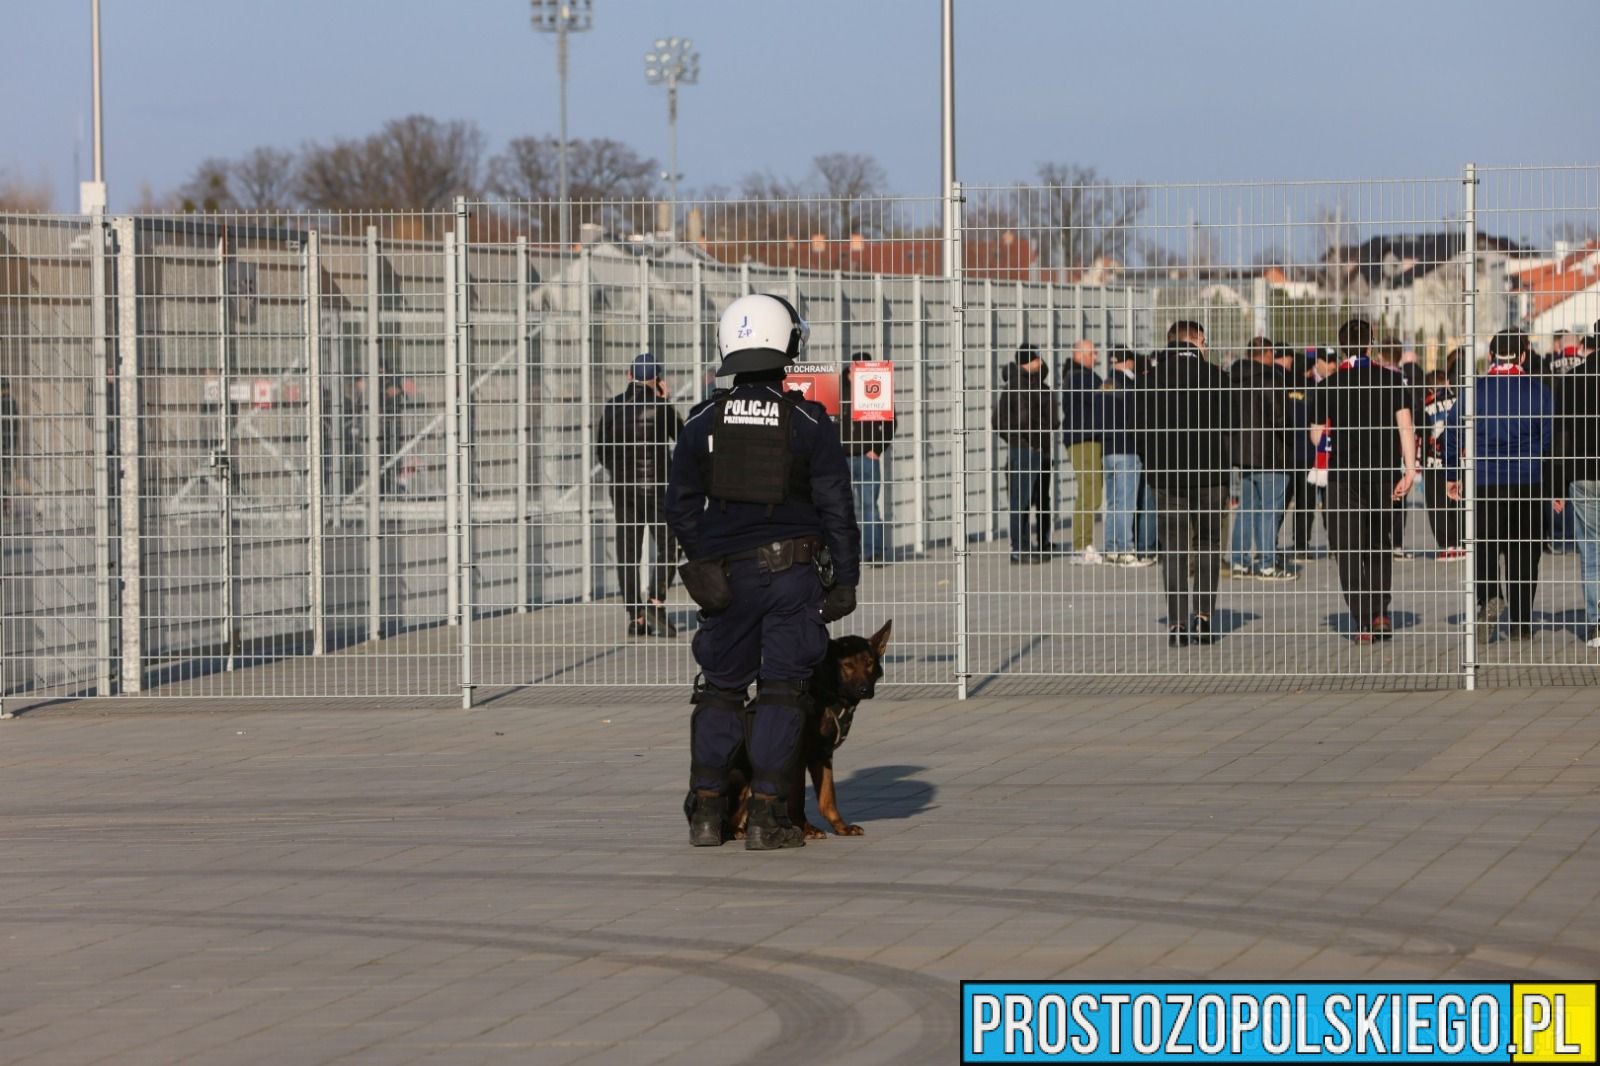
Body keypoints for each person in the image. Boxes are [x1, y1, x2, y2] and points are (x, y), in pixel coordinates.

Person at [667, 293, 860, 851]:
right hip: (791, 577)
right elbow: (836, 509)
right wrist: (844, 579)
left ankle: (707, 812)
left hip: (726, 580)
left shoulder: (702, 419)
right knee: (781, 691)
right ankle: (769, 819)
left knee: (720, 690)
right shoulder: (808, 421)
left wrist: (705, 560)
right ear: (788, 345)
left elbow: (679, 505)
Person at [1308, 319, 1420, 643]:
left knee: (1348, 547)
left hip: (1344, 477)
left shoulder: (1328, 385)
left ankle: (1361, 617)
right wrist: (1410, 470)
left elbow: (1317, 435)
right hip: (1382, 474)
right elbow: (1405, 426)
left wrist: (1333, 443)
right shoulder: (1393, 380)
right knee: (1378, 542)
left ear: (1342, 346)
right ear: (1372, 344)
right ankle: (1381, 610)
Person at [1443, 329, 1553, 644]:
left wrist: (1453, 474)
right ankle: (1520, 620)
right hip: (1526, 480)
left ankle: (1488, 596)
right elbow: (1547, 441)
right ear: (1522, 356)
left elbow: (1451, 433)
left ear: (1490, 356)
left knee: (1485, 546)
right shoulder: (1539, 391)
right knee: (1524, 551)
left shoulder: (1472, 391)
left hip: (1484, 479)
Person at [1133, 320, 1233, 646]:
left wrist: (1153, 464)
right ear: (1198, 340)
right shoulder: (1218, 378)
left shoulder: (1149, 381)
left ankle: (1177, 625)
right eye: (1204, 341)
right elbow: (1231, 428)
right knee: (1208, 546)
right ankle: (1203, 618)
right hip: (1210, 477)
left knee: (1173, 549)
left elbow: (1139, 433)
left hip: (1166, 478)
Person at [597, 352, 684, 637]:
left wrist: (620, 474)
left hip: (623, 491)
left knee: (628, 553)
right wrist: (665, 401)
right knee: (669, 545)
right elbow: (683, 440)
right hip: (658, 489)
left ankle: (636, 617)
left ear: (628, 375)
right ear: (657, 379)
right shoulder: (661, 407)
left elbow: (602, 452)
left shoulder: (612, 408)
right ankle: (656, 602)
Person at [1228, 336, 1297, 580]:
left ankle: (1239, 561)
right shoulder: (1271, 379)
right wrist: (1293, 437)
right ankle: (1267, 563)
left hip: (1244, 455)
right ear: (1266, 353)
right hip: (1271, 455)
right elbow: (1281, 419)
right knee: (1270, 510)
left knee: (1246, 509)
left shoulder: (1234, 379)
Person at [1551, 329, 1600, 648]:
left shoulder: (1572, 379)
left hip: (1583, 472)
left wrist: (1556, 485)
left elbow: (1561, 436)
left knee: (1592, 549)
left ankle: (1598, 622)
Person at [994, 345, 1059, 564]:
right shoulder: (1018, 387)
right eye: (1037, 358)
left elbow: (1051, 419)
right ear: (1028, 360)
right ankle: (1019, 548)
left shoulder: (1036, 385)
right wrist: (1026, 441)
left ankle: (1034, 543)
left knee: (1038, 499)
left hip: (1036, 449)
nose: (1041, 361)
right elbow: (1014, 422)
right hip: (1025, 449)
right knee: (1019, 500)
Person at [1098, 348, 1155, 567]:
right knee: (1126, 502)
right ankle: (1125, 549)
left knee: (1113, 503)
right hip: (1129, 449)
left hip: (1109, 449)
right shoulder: (1131, 386)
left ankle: (1112, 548)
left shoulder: (1106, 383)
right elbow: (1137, 418)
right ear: (1129, 362)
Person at [838, 352, 896, 565]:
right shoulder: (838, 388)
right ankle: (846, 554)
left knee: (870, 505)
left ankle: (874, 553)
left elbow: (891, 422)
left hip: (866, 456)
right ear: (851, 369)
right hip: (841, 457)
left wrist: (877, 449)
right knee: (841, 506)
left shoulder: (876, 386)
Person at [1060, 339, 1105, 564]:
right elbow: (1098, 397)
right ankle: (1081, 545)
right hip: (1082, 440)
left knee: (1093, 491)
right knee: (1090, 491)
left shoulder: (1081, 376)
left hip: (1089, 438)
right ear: (1080, 354)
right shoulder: (1078, 377)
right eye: (1092, 353)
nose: (1096, 357)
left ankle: (1082, 543)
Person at [1420, 365, 1464, 561]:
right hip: (1457, 458)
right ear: (1447, 382)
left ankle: (1447, 544)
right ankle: (1462, 542)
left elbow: (1420, 432)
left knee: (1437, 504)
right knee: (1460, 500)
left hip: (1433, 460)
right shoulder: (1458, 400)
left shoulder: (1425, 403)